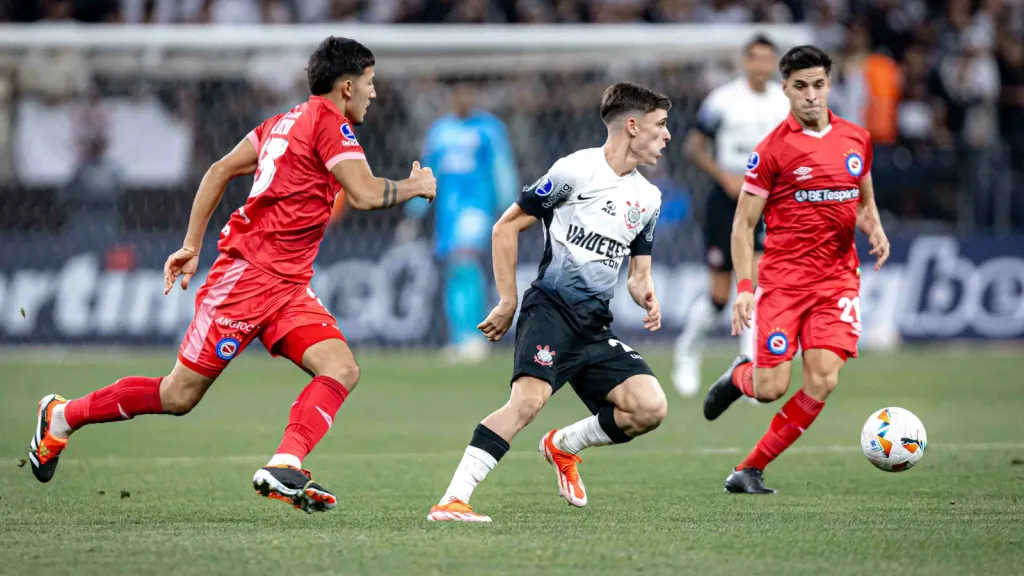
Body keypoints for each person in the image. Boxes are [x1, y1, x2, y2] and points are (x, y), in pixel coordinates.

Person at [26, 36, 437, 513]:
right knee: (178, 395)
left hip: (287, 286)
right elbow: (364, 194)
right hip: (245, 281)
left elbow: (219, 169)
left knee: (341, 368)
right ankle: (61, 415)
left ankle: (286, 463)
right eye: (369, 82)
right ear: (346, 87)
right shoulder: (330, 126)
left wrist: (191, 244)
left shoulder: (283, 122)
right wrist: (416, 185)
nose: (374, 92)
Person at [427, 82, 671, 522]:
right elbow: (506, 227)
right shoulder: (575, 171)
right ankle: (452, 500)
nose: (666, 135)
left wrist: (645, 293)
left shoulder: (648, 198)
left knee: (650, 407)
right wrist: (507, 300)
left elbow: (638, 274)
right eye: (660, 125)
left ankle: (564, 445)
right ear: (632, 126)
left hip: (594, 326)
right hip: (551, 312)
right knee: (527, 403)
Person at [701, 45, 890, 494]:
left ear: (829, 85)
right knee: (769, 388)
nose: (811, 95)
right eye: (801, 86)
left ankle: (748, 469)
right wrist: (745, 287)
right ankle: (739, 376)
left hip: (838, 280)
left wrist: (874, 227)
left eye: (818, 85)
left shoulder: (856, 139)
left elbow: (862, 197)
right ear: (784, 88)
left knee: (823, 378)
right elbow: (743, 226)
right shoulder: (771, 151)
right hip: (784, 283)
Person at [673, 34, 791, 397]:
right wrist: (722, 174)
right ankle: (687, 352)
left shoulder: (783, 103)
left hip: (765, 200)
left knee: (756, 285)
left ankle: (751, 368)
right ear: (745, 62)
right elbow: (693, 147)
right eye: (754, 58)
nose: (761, 65)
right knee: (721, 295)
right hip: (726, 201)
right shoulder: (723, 100)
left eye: (767, 58)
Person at [400, 79, 519, 363]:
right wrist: (414, 214)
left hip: (477, 207)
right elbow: (427, 174)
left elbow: (502, 170)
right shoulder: (440, 131)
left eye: (469, 90)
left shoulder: (489, 129)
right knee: (455, 270)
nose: (463, 97)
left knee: (465, 263)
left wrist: (511, 207)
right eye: (458, 92)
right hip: (448, 213)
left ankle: (475, 337)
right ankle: (459, 336)